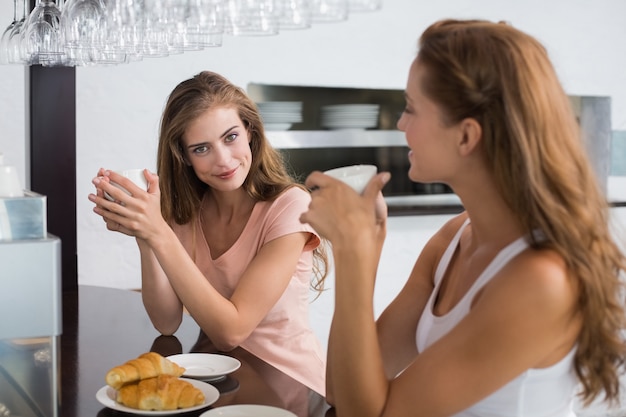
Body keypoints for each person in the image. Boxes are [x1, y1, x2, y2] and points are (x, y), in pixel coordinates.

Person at [300, 19, 626, 416]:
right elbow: (341, 389)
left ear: (467, 136)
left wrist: (354, 255)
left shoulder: (541, 280)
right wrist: (367, 244)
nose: (401, 124)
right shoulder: (454, 238)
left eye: (411, 108)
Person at [89, 71, 329, 396]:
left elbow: (231, 332)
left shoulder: (290, 207)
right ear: (183, 157)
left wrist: (159, 232)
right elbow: (166, 322)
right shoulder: (188, 213)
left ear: (250, 132)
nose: (224, 160)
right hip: (214, 383)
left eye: (230, 137)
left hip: (290, 386)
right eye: (201, 149)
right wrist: (145, 235)